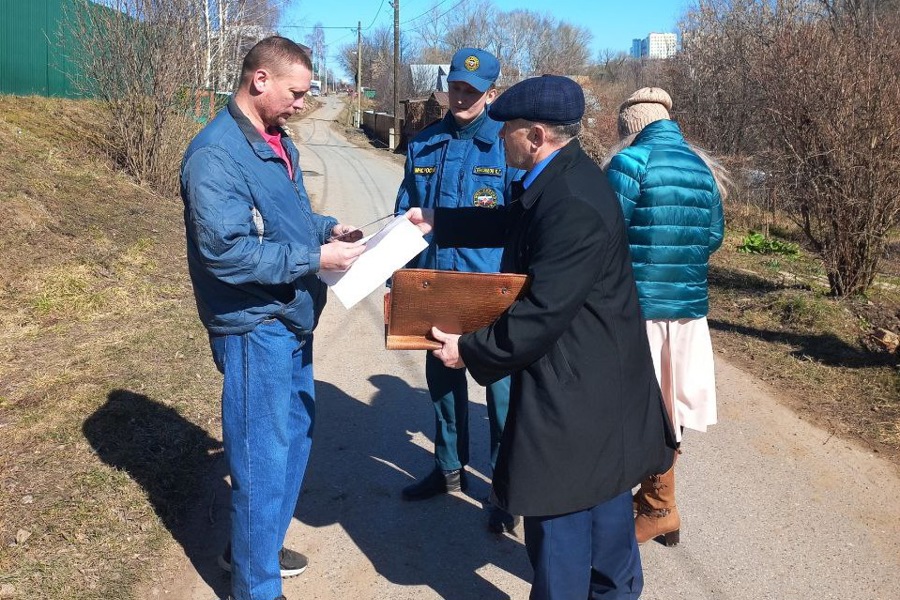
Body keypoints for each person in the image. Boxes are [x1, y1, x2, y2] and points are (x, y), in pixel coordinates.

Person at [406, 75, 677, 599]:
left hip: (576, 398)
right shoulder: (561, 176)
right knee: (606, 524)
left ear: (534, 135)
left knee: (561, 540)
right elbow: (515, 222)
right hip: (596, 391)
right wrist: (439, 220)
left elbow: (541, 312)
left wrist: (469, 349)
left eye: (506, 129)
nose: (498, 136)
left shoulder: (572, 200)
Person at [180, 36, 364, 600]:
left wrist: (326, 229)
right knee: (261, 461)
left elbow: (286, 219)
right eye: (297, 92)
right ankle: (255, 587)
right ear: (260, 80)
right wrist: (315, 259)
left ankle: (254, 547)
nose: (303, 104)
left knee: (294, 440)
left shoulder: (276, 141)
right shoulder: (215, 155)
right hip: (254, 326)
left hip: (289, 316)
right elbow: (227, 254)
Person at [394, 47, 524, 533]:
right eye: (456, 87)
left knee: (501, 394)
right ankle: (447, 469)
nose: (461, 97)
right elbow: (402, 214)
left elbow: (519, 222)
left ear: (491, 93)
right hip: (435, 286)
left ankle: (506, 491)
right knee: (443, 387)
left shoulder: (506, 146)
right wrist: (397, 281)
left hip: (489, 291)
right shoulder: (423, 144)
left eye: (472, 91)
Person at [603, 87, 727, 547]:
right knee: (669, 409)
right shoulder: (701, 166)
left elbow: (605, 234)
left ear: (629, 126)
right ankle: (659, 505)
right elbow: (712, 237)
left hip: (639, 309)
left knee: (632, 409)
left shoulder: (630, 164)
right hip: (688, 311)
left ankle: (653, 506)